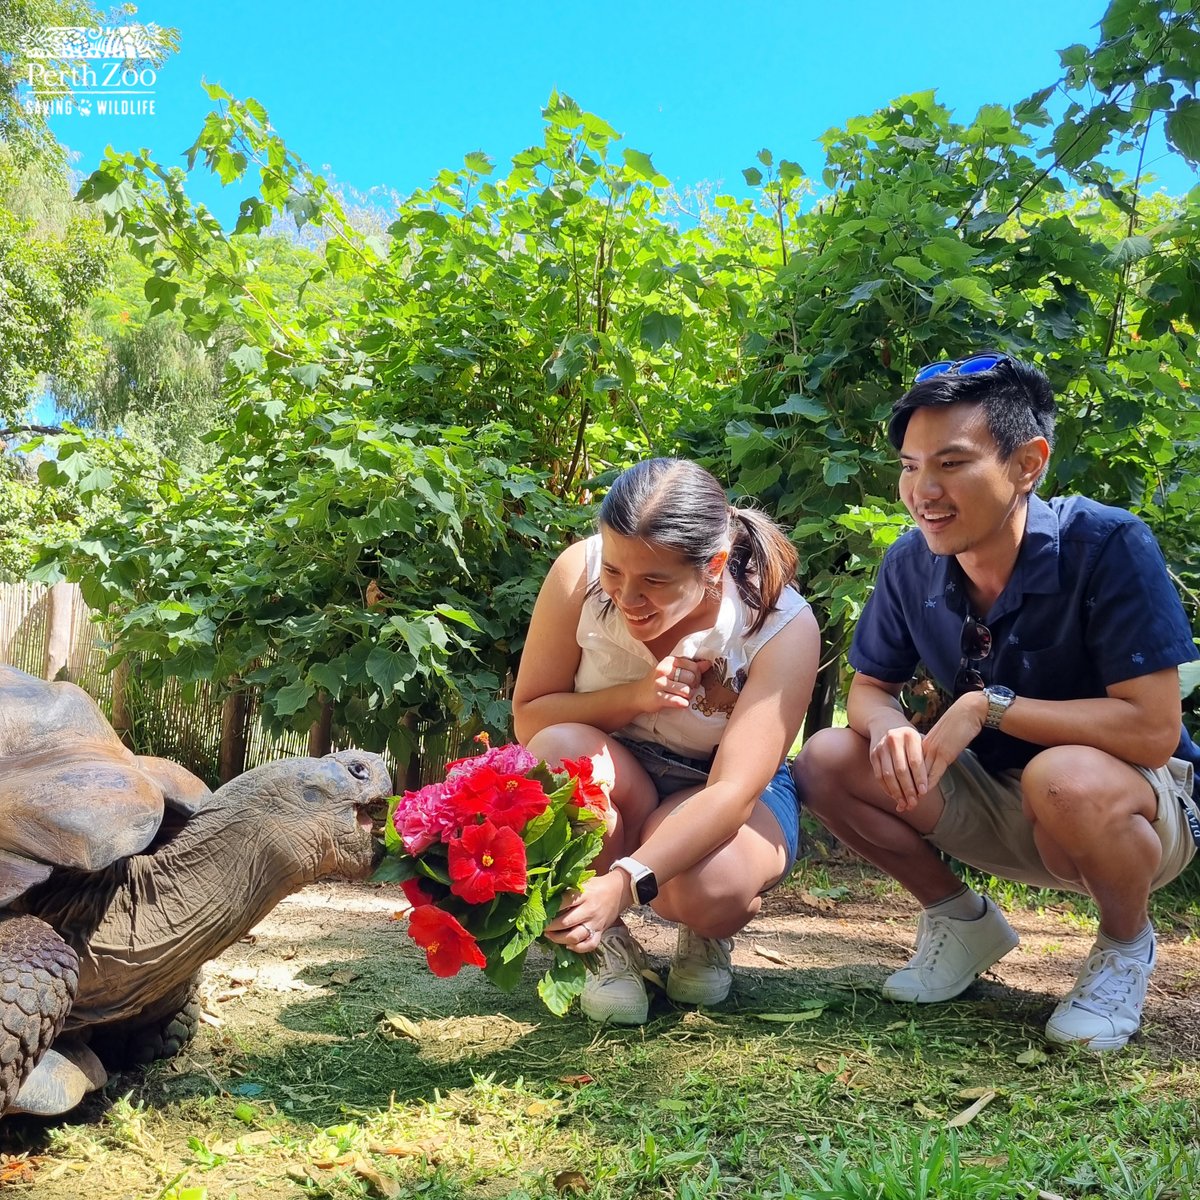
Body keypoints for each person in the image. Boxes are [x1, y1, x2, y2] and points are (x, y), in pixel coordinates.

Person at [793, 351, 1200, 1051]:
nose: (923, 490)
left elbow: (1154, 731)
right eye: (910, 465)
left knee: (1062, 776)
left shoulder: (1106, 545)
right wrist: (887, 726)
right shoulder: (910, 561)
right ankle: (962, 921)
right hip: (993, 794)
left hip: (1128, 802)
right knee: (827, 758)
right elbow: (869, 689)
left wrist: (988, 706)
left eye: (951, 463)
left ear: (1027, 464)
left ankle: (1124, 946)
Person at [513, 457, 820, 1024]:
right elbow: (531, 717)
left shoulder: (781, 625)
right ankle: (605, 945)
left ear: (714, 565)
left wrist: (627, 881)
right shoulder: (574, 575)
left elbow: (733, 793)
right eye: (614, 572)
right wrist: (636, 695)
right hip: (618, 768)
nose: (628, 598)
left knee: (710, 888)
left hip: (720, 786)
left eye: (655, 580)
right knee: (557, 753)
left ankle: (704, 932)